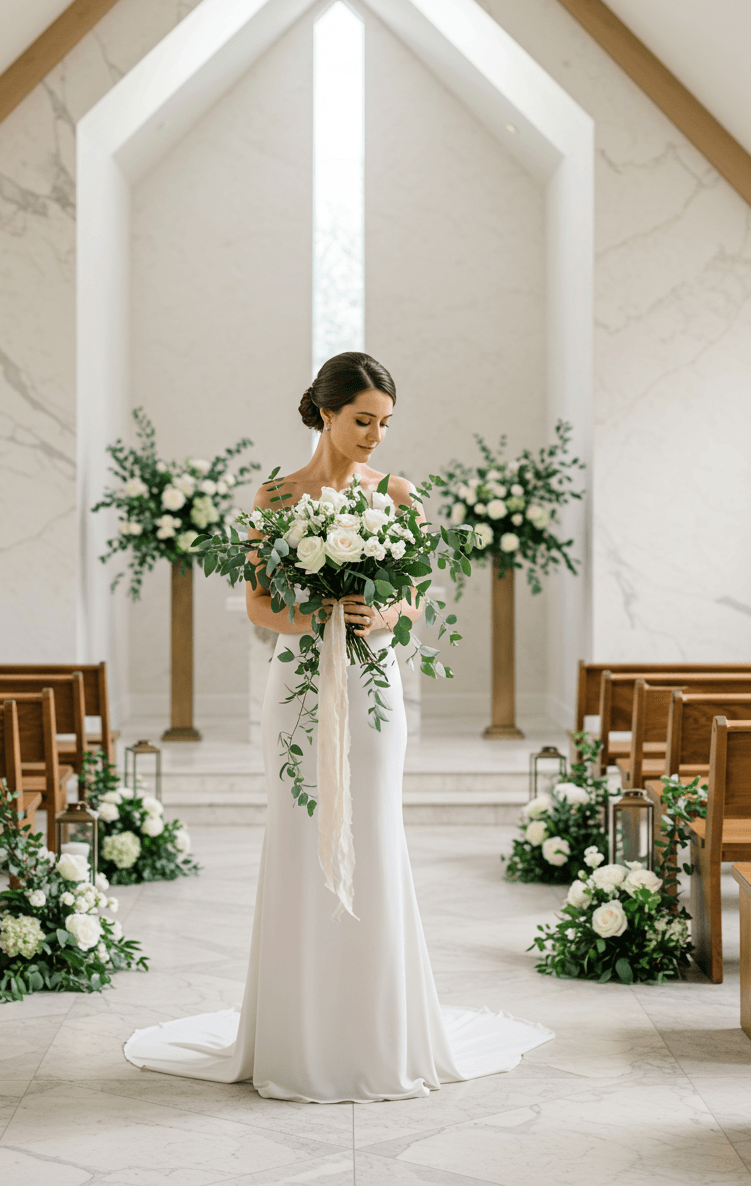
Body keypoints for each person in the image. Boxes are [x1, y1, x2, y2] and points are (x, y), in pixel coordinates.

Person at [125, 351, 553, 1102]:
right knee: (298, 831)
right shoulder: (276, 497)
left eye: (385, 424)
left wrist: (387, 610)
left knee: (377, 831)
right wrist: (317, 611)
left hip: (373, 680)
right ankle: (299, 1033)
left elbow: (417, 593)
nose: (376, 437)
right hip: (296, 686)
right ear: (326, 413)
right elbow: (260, 605)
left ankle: (380, 1031)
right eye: (363, 421)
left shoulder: (398, 494)